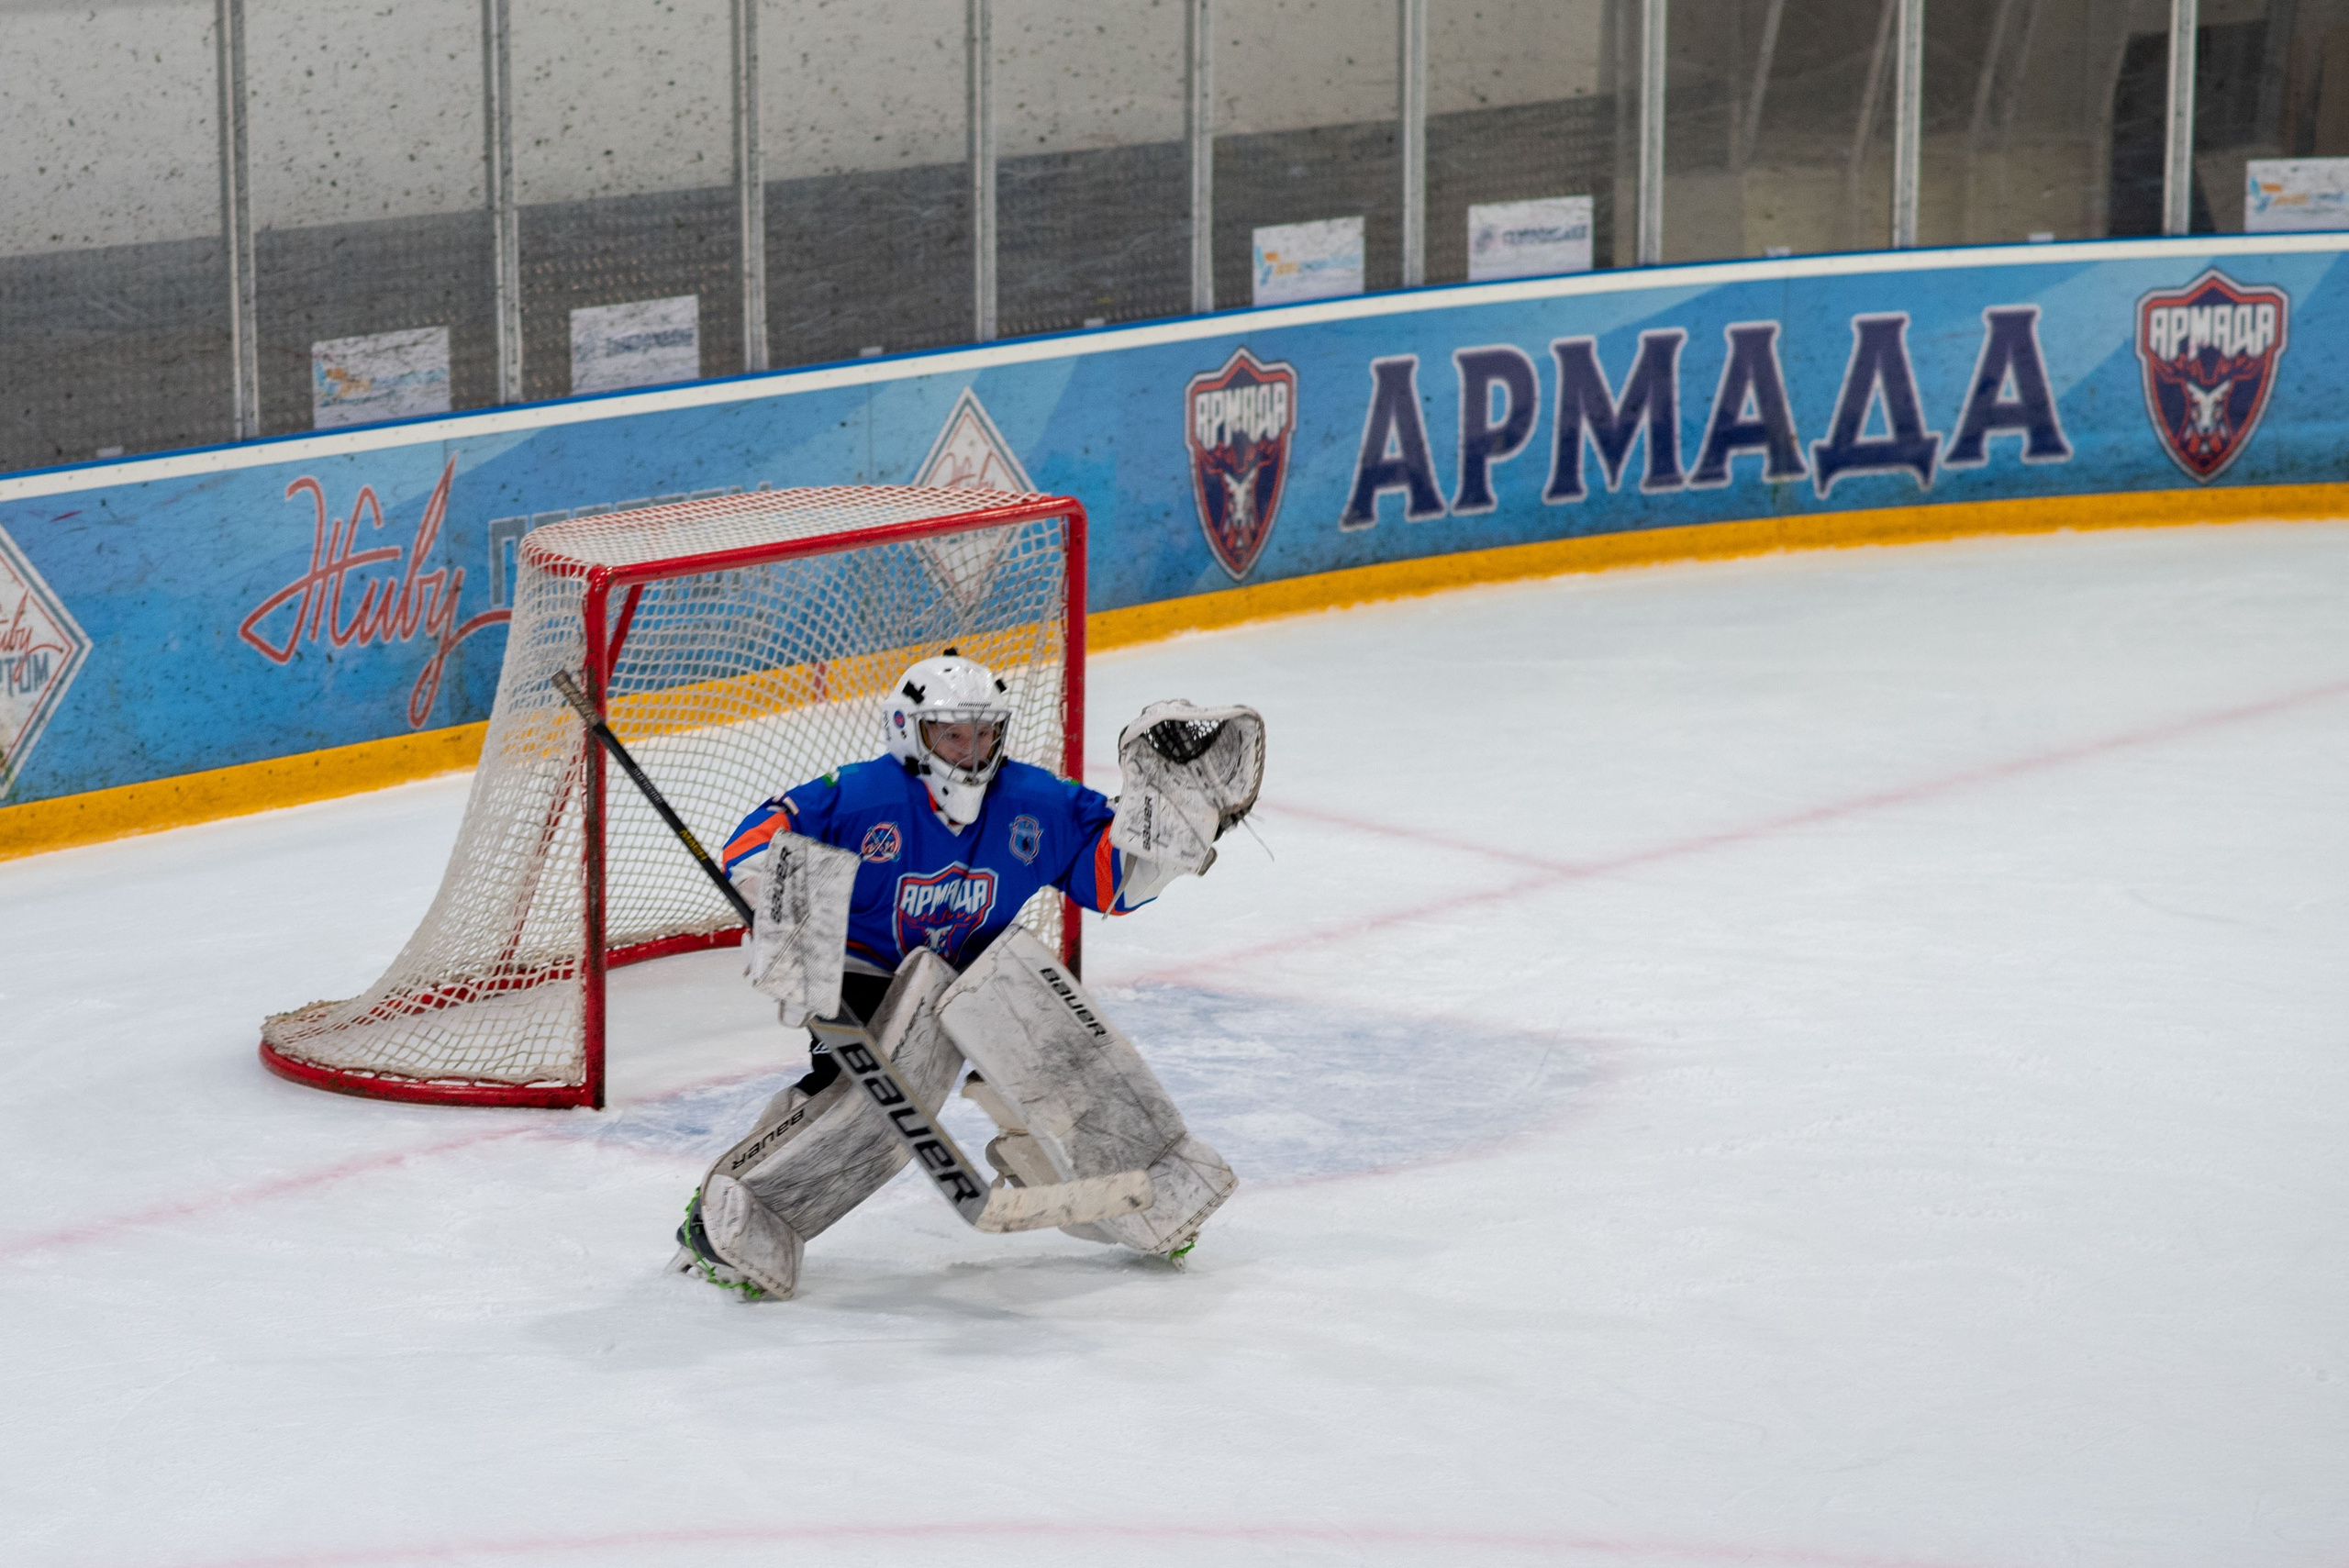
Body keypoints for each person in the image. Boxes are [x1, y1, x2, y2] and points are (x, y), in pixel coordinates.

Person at [670, 650, 1263, 1300]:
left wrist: (1172, 830)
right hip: (868, 975)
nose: (972, 750)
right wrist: (773, 898)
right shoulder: (866, 796)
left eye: (985, 733)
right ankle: (735, 1210)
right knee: (866, 1106)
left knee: (1066, 1060)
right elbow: (763, 831)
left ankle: (1147, 1193)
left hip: (982, 967)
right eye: (954, 733)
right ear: (911, 730)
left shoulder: (1031, 801)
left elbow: (1110, 879)